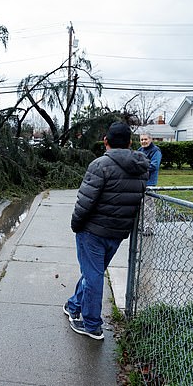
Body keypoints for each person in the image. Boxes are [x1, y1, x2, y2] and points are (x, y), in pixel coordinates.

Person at [65, 122, 149, 340]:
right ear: (130, 142)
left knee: (93, 277)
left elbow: (85, 201)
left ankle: (92, 324)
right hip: (117, 233)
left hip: (92, 232)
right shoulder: (141, 167)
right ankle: (73, 305)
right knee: (93, 272)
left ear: (105, 141)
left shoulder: (100, 165)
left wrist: (76, 225)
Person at [138, 131, 162, 235]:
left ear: (150, 139)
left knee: (148, 206)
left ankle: (149, 228)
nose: (143, 141)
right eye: (142, 139)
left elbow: (154, 166)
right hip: (139, 182)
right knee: (140, 206)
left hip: (149, 183)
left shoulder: (155, 151)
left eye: (145, 139)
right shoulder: (140, 150)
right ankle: (140, 225)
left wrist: (139, 167)